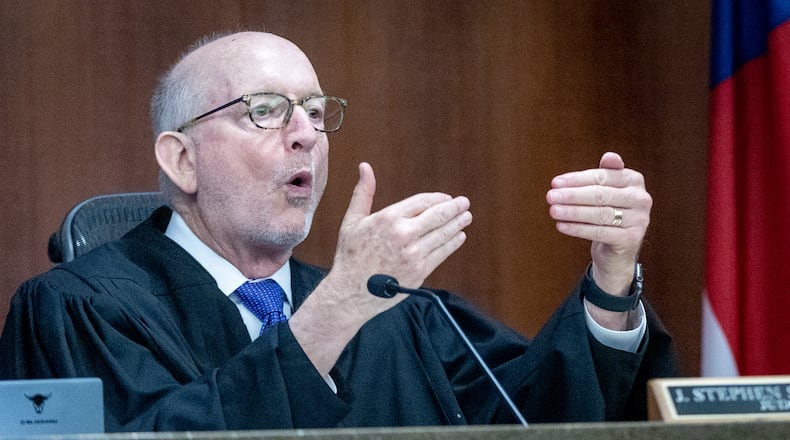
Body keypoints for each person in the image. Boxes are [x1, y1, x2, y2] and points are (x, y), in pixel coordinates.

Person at [0, 31, 678, 432]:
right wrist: (333, 315)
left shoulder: (395, 315)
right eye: (266, 111)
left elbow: (538, 420)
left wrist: (611, 279)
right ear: (181, 159)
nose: (306, 135)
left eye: (317, 113)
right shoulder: (76, 309)